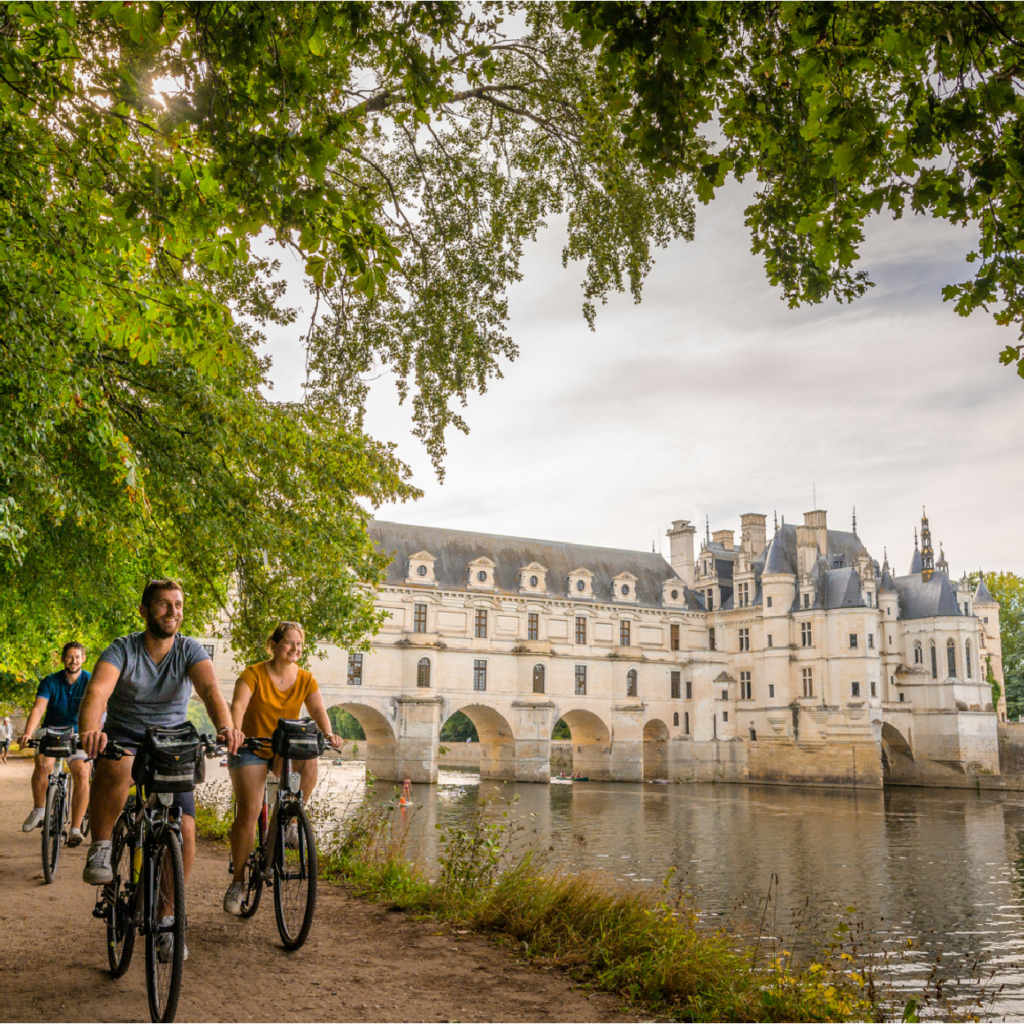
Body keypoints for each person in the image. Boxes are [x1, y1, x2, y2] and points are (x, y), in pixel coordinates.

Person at [78, 579, 242, 961]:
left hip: (171, 746)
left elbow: (210, 690)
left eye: (179, 605)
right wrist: (90, 728)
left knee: (183, 829)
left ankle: (167, 920)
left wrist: (225, 725)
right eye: (165, 604)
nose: (173, 612)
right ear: (145, 611)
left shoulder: (189, 649)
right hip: (126, 737)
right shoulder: (123, 648)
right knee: (118, 766)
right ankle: (101, 849)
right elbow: (98, 692)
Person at [222, 621, 341, 915]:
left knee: (310, 759)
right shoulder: (253, 674)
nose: (295, 649)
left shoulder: (306, 679)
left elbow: (317, 711)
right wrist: (235, 731)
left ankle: (289, 820)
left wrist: (328, 734)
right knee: (249, 811)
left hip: (282, 747)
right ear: (274, 645)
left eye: (299, 644)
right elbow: (238, 706)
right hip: (250, 746)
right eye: (289, 643)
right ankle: (238, 883)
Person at [19, 642, 92, 843]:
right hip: (51, 730)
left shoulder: (90, 680)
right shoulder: (50, 681)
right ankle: (39, 809)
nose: (73, 660)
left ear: (83, 659)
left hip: (78, 733)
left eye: (77, 656)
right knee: (43, 764)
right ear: (63, 659)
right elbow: (38, 709)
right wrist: (28, 733)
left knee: (83, 772)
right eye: (69, 656)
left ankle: (75, 828)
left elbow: (100, 707)